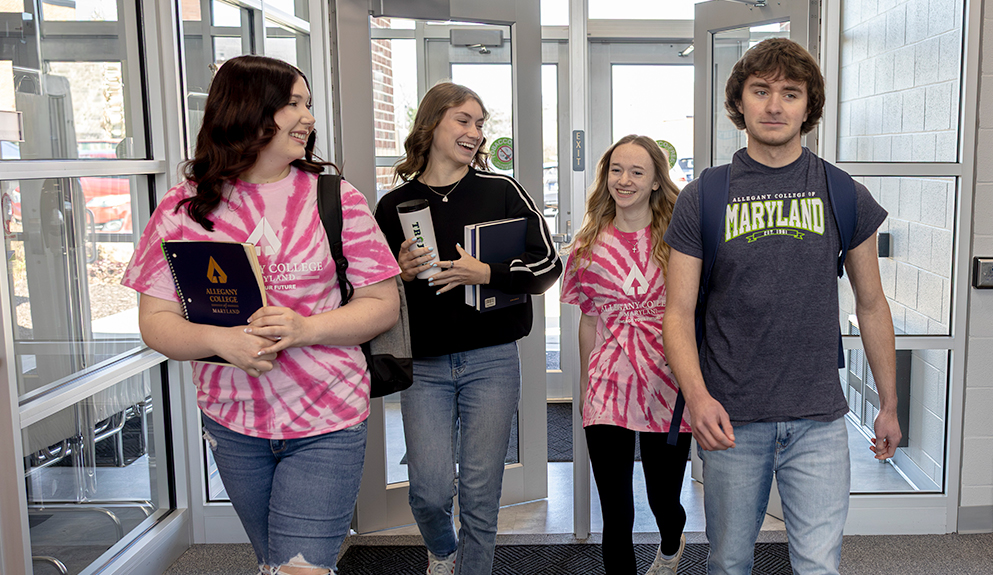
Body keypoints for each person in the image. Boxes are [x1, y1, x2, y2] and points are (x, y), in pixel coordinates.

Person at [122, 55, 400, 575]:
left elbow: (383, 304)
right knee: (273, 563)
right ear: (249, 110)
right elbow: (155, 322)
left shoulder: (336, 198)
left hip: (328, 415)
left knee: (302, 568)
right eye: (293, 103)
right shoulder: (183, 210)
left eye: (308, 104)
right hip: (232, 422)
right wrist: (220, 341)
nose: (308, 117)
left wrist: (305, 329)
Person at [662, 38, 902, 575]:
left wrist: (888, 402)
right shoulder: (704, 195)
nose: (774, 105)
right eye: (761, 90)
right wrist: (697, 397)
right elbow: (676, 312)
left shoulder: (842, 192)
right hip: (730, 418)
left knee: (819, 565)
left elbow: (872, 303)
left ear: (807, 107)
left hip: (817, 417)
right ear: (740, 102)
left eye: (790, 94)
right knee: (727, 563)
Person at [374, 82, 562, 575]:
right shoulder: (393, 206)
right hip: (426, 366)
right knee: (429, 491)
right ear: (432, 123)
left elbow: (548, 265)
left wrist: (489, 273)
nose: (475, 132)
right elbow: (368, 290)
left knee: (481, 493)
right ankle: (442, 551)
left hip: (493, 361)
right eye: (463, 120)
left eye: (480, 124)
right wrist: (400, 271)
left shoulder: (502, 190)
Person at [561, 135, 692, 575]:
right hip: (608, 389)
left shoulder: (680, 242)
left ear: (657, 180)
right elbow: (589, 321)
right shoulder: (587, 245)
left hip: (667, 388)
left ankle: (672, 546)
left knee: (663, 500)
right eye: (617, 169)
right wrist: (585, 387)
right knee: (616, 512)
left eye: (637, 171)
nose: (624, 179)